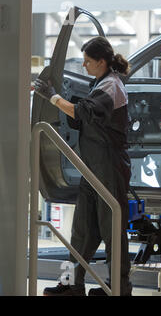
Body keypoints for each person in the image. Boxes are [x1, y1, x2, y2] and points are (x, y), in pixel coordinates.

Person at [34, 36, 132, 296]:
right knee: (81, 232)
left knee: (112, 232)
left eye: (88, 61)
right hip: (92, 169)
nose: (85, 66)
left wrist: (53, 97)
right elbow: (84, 118)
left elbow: (81, 113)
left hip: (109, 168)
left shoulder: (111, 87)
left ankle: (119, 289)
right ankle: (70, 285)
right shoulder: (99, 84)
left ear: (102, 62)